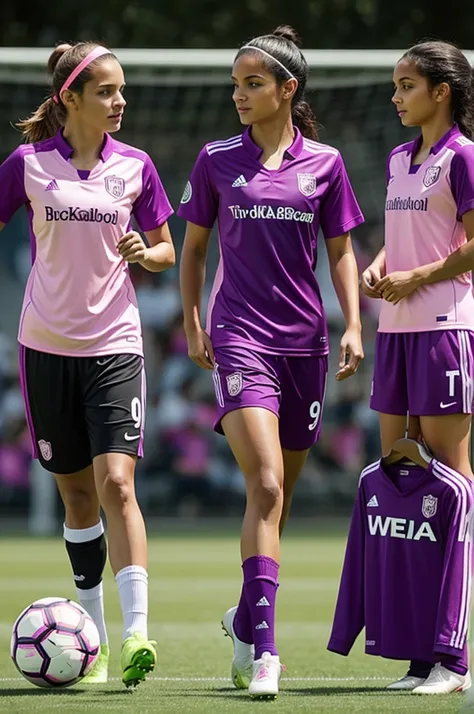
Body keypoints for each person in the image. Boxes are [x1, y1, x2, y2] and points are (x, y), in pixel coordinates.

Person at [178, 25, 364, 699]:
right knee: (266, 485)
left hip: (306, 344)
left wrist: (353, 326)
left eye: (252, 83)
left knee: (276, 499)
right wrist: (195, 320)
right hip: (239, 338)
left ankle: (242, 618)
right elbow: (193, 248)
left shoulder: (328, 164)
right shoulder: (214, 159)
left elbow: (341, 251)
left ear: (288, 89)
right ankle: (268, 654)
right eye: (236, 84)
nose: (239, 95)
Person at [0, 42, 175, 688]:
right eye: (105, 91)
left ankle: (136, 633)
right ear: (69, 99)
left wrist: (146, 253)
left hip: (114, 347)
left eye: (121, 90)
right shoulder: (26, 164)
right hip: (44, 349)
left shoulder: (136, 167)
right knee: (75, 494)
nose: (119, 100)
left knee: (116, 484)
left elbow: (164, 250)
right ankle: (92, 639)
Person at [360, 40, 474, 694]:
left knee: (451, 490)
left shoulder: (464, 158)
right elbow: (399, 237)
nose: (397, 96)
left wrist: (423, 275)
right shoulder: (400, 158)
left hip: (443, 332)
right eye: (396, 84)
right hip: (395, 333)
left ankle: (454, 658)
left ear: (441, 91)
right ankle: (416, 654)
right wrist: (380, 267)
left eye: (408, 85)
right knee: (400, 487)